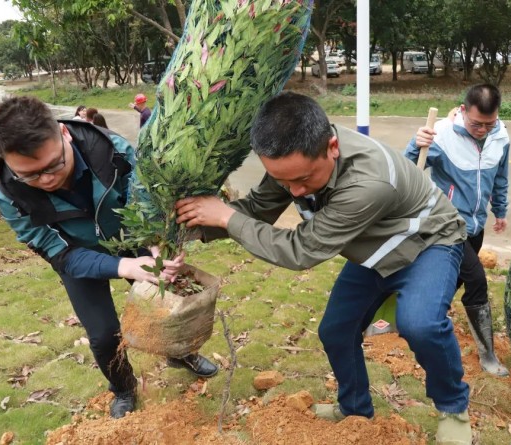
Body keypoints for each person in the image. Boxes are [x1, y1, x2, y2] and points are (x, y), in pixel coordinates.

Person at [175, 92, 473, 444]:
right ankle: (354, 409)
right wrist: (192, 226)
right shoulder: (294, 158)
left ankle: (454, 407)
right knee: (336, 331)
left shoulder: (368, 182)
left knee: (420, 324)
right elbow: (257, 209)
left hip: (427, 242)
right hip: (373, 247)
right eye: (284, 182)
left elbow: (301, 250)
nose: (294, 191)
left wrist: (226, 217)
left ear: (332, 147)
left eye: (302, 180)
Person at [0, 96, 218, 420]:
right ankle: (124, 388)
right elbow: (58, 253)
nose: (46, 180)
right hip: (77, 255)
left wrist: (156, 245)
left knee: (168, 302)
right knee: (102, 335)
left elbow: (146, 203)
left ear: (64, 134)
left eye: (53, 165)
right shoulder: (10, 196)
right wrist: (126, 267)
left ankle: (180, 353)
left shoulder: (114, 152)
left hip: (129, 235)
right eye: (30, 175)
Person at [405, 84, 510, 377]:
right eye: (476, 124)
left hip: (476, 226)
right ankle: (488, 355)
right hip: (446, 225)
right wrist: (415, 144)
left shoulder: (501, 136)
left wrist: (500, 210)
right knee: (476, 280)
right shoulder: (441, 134)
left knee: (452, 279)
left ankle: (419, 318)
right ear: (463, 111)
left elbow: (500, 177)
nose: (482, 130)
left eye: (489, 124)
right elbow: (405, 170)